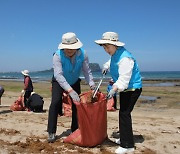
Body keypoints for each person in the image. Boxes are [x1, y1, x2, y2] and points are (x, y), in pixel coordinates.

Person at [95, 32, 142, 154]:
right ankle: (124, 139)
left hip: (132, 89)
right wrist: (105, 67)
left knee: (124, 114)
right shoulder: (115, 53)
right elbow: (111, 62)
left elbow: (124, 79)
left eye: (107, 47)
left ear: (114, 44)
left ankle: (128, 146)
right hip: (126, 89)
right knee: (123, 113)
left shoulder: (125, 58)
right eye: (104, 47)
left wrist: (114, 89)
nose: (106, 50)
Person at [47, 32, 95, 143]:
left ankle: (75, 129)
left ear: (77, 47)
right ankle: (51, 131)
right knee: (55, 102)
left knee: (77, 105)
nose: (69, 50)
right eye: (66, 48)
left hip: (74, 80)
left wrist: (92, 85)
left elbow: (87, 71)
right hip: (59, 81)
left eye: (71, 48)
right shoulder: (57, 55)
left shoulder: (83, 54)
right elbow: (58, 75)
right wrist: (69, 90)